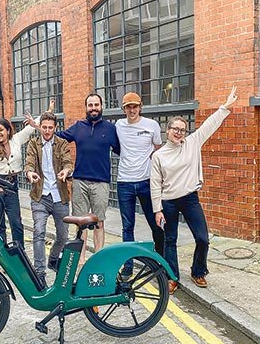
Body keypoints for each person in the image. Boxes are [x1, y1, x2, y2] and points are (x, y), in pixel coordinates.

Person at [151, 86, 238, 294]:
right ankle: (172, 277)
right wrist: (157, 210)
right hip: (168, 202)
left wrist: (224, 107)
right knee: (170, 240)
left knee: (202, 238)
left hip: (190, 199)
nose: (179, 132)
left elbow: (210, 125)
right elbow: (155, 184)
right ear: (168, 130)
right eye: (175, 129)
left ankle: (198, 271)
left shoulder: (192, 143)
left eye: (182, 130)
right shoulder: (159, 156)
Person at [56, 93, 120, 261]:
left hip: (101, 183)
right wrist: (40, 125)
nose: (93, 108)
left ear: (101, 106)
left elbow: (122, 150)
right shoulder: (78, 126)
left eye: (96, 105)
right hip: (80, 182)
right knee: (80, 224)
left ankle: (98, 260)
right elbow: (57, 137)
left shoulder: (110, 129)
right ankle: (81, 260)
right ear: (86, 108)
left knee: (99, 222)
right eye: (90, 105)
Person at [115, 92, 164, 279]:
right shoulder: (119, 125)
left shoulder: (152, 125)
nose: (132, 110)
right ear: (124, 109)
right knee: (128, 227)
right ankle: (128, 266)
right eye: (128, 106)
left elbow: (157, 150)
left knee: (155, 223)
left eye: (135, 106)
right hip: (124, 182)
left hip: (146, 182)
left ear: (140, 107)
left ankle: (159, 260)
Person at [23, 111, 73, 288]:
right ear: (40, 127)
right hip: (40, 196)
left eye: (50, 127)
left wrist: (66, 171)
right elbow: (28, 163)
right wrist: (30, 173)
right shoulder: (33, 144)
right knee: (38, 233)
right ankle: (40, 273)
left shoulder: (62, 144)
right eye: (44, 127)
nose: (46, 130)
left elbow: (68, 162)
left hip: (60, 196)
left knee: (63, 236)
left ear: (55, 128)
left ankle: (53, 259)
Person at [0, 110, 43, 248]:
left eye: (1, 130)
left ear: (8, 130)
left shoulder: (16, 140)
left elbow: (32, 127)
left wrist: (48, 112)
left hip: (11, 185)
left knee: (16, 223)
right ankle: (4, 259)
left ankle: (19, 255)